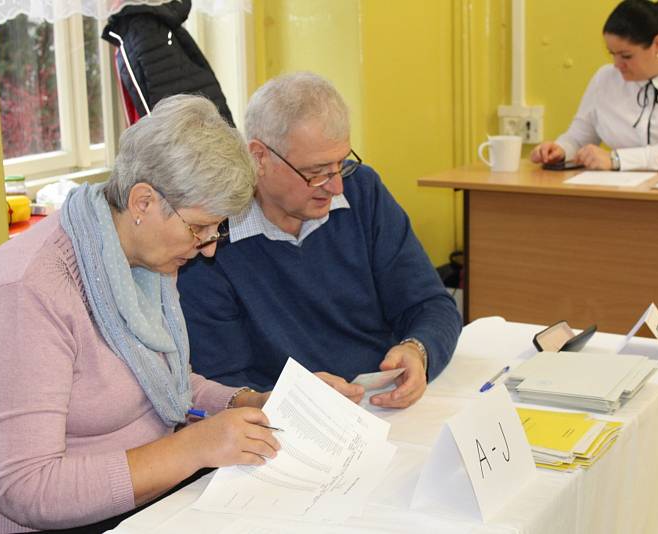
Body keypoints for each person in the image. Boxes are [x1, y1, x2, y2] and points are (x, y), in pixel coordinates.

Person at [0, 95, 279, 533]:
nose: (210, 246)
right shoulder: (27, 292)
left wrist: (242, 402)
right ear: (142, 202)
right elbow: (26, 489)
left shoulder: (144, 261)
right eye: (199, 228)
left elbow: (163, 386)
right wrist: (193, 449)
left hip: (148, 506)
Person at [178, 72, 462, 410]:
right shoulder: (211, 237)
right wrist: (293, 401)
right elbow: (224, 384)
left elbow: (432, 304)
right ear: (259, 157)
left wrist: (419, 349)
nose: (336, 186)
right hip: (290, 432)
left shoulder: (361, 191)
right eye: (316, 172)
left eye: (341, 164)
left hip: (384, 406)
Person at [531, 0, 658, 171]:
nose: (617, 64)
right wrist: (561, 149)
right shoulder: (605, 78)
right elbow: (579, 138)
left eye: (626, 56)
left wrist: (617, 159)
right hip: (616, 192)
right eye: (612, 54)